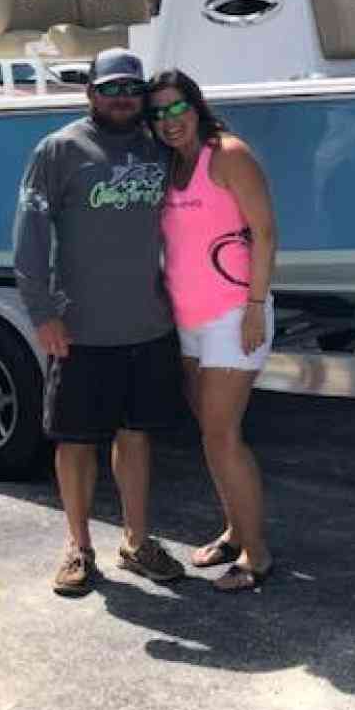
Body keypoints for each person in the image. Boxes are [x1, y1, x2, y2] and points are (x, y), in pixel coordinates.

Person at [13, 48, 186, 596]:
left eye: (130, 90)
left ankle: (136, 541)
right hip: (79, 328)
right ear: (90, 92)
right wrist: (42, 312)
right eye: (109, 89)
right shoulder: (60, 150)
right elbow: (30, 238)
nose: (121, 99)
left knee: (135, 438)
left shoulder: (160, 150)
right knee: (75, 442)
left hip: (148, 325)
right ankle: (78, 547)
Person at [148, 68, 278, 592]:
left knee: (222, 435)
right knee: (212, 435)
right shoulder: (169, 166)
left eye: (177, 108)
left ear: (196, 106)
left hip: (233, 315)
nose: (169, 121)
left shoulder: (227, 155)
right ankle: (233, 529)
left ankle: (257, 555)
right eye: (158, 113)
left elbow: (266, 234)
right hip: (188, 319)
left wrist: (255, 306)